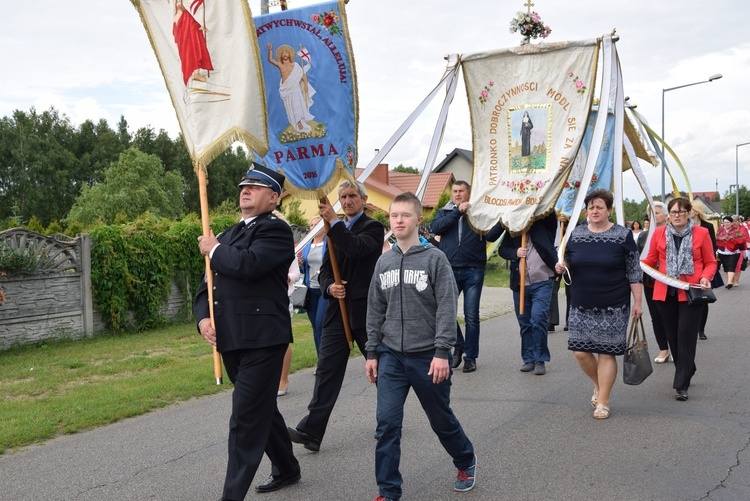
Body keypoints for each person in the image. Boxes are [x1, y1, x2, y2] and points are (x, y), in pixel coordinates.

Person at [193, 163, 300, 499]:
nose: (245, 191)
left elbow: (249, 265)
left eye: (254, 187)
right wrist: (203, 319)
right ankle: (287, 467)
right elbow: (205, 287)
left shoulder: (276, 231)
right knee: (261, 409)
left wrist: (215, 251)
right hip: (231, 339)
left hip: (264, 340)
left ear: (274, 198)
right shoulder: (226, 234)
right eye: (243, 186)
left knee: (244, 419)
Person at [366, 193, 477, 500]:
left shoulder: (434, 258)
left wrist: (443, 352)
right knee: (387, 423)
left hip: (428, 356)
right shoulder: (384, 262)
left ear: (418, 220)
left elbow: (445, 307)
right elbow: (375, 309)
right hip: (391, 356)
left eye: (404, 215)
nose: (398, 220)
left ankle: (465, 459)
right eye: (393, 215)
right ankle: (388, 491)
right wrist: (372, 352)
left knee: (440, 419)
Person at [288, 180, 384, 452]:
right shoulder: (333, 230)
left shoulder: (373, 228)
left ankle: (388, 420)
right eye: (343, 196)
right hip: (337, 312)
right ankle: (311, 432)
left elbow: (357, 249)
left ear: (364, 199)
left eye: (353, 195)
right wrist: (330, 287)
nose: (348, 200)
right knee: (327, 371)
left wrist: (334, 224)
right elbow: (325, 271)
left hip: (366, 312)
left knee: (381, 371)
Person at [554, 189, 643, 419]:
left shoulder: (623, 236)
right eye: (591, 207)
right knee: (580, 351)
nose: (595, 211)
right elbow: (570, 260)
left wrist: (638, 302)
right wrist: (563, 266)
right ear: (586, 211)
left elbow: (634, 271)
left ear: (609, 210)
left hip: (613, 304)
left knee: (606, 353)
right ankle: (599, 385)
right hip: (581, 302)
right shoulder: (576, 234)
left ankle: (603, 401)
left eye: (599, 207)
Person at [642, 198, 717, 401]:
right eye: (673, 212)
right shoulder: (659, 233)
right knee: (673, 336)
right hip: (664, 293)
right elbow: (649, 260)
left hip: (691, 292)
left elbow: (711, 262)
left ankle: (681, 384)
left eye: (681, 212)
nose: (676, 215)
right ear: (669, 215)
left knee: (685, 335)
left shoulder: (701, 233)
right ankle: (687, 367)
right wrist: (635, 262)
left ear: (689, 213)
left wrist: (705, 277)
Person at [430, 181, 503, 373]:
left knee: (471, 315)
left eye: (461, 191)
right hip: (450, 268)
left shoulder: (478, 212)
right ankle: (458, 345)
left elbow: (490, 236)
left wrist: (503, 223)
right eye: (455, 191)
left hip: (473, 269)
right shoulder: (445, 211)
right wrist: (457, 212)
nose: (457, 194)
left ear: (469, 193)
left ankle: (470, 357)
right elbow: (436, 228)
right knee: (445, 311)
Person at [499, 213, 557, 375]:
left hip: (542, 280)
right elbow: (502, 249)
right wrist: (515, 252)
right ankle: (528, 359)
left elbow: (550, 214)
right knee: (524, 321)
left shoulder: (543, 224)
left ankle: (540, 359)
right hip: (520, 283)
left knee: (538, 318)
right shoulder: (513, 229)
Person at [637, 202, 671, 363]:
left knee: (671, 315)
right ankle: (663, 349)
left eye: (657, 212)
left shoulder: (672, 232)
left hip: (670, 281)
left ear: (665, 215)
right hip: (650, 282)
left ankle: (676, 345)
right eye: (651, 213)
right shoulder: (643, 236)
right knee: (656, 316)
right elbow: (639, 258)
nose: (654, 216)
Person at [267, 43, 315, 134]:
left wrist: (305, 86)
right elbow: (270, 60)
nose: (285, 54)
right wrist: (270, 50)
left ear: (289, 55)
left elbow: (303, 76)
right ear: (281, 56)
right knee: (290, 106)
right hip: (286, 88)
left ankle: (299, 121)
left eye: (286, 53)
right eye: (283, 53)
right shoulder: (280, 65)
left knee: (297, 104)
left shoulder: (296, 65)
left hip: (295, 88)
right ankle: (296, 121)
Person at [298, 215, 328, 356]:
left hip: (324, 290)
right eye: (311, 225)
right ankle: (321, 359)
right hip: (310, 290)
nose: (313, 227)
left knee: (320, 323)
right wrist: (300, 265)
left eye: (317, 224)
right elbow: (305, 269)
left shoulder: (329, 243)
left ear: (323, 227)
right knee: (315, 327)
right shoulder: (306, 246)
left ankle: (326, 359)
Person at [690, 205, 720, 340]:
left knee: (703, 299)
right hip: (689, 268)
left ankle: (701, 329)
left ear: (695, 211)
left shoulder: (707, 226)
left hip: (704, 267)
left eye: (688, 210)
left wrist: (710, 267)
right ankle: (691, 327)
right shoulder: (685, 227)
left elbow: (712, 246)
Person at [278, 245, 301, 397]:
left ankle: (283, 380)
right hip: (263, 302)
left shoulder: (285, 250)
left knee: (282, 340)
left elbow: (296, 274)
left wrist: (288, 277)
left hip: (283, 298)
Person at [173, 0, 213, 86]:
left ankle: (196, 74)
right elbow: (175, 31)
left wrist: (199, 27)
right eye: (177, 2)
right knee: (187, 58)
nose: (179, 4)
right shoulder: (176, 16)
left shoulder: (186, 13)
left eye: (180, 1)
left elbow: (192, 24)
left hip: (190, 40)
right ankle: (191, 75)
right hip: (183, 42)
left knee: (194, 54)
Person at [716, 215, 744, 289]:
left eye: (728, 222)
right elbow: (717, 239)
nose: (726, 224)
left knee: (731, 266)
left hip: (734, 252)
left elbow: (741, 240)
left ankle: (729, 283)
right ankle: (729, 281)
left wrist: (731, 240)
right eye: (725, 222)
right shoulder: (720, 230)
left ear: (731, 223)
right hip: (722, 251)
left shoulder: (736, 230)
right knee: (726, 267)